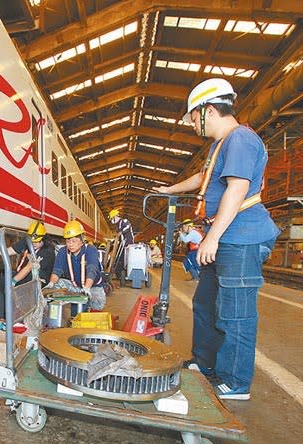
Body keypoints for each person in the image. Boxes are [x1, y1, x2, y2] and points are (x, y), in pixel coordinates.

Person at [155, 78, 280, 400]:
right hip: (227, 236)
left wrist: (211, 238)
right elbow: (203, 178)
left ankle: (235, 382)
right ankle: (205, 363)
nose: (193, 124)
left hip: (241, 237)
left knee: (235, 312)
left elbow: (237, 190)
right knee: (205, 303)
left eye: (194, 118)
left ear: (208, 110)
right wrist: (170, 189)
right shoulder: (220, 145)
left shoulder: (241, 139)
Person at [46, 220, 106, 311]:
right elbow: (57, 270)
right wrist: (51, 283)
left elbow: (92, 269)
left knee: (97, 306)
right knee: (57, 284)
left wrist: (87, 288)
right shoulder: (63, 251)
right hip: (75, 285)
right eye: (68, 241)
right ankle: (60, 310)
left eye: (74, 241)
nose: (70, 244)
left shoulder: (90, 250)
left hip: (93, 286)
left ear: (82, 239)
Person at [0, 220, 55, 286]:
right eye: (32, 241)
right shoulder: (28, 241)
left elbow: (29, 267)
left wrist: (13, 281)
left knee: (30, 277)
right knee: (4, 281)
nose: (34, 244)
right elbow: (8, 251)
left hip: (39, 279)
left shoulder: (47, 251)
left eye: (37, 241)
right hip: (25, 274)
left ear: (44, 239)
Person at [108, 209, 135, 281]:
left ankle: (126, 274)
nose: (111, 221)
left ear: (115, 217)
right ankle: (119, 275)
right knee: (119, 259)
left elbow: (127, 226)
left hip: (128, 244)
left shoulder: (124, 221)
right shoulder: (118, 225)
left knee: (125, 260)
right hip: (123, 244)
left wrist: (121, 232)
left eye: (112, 219)